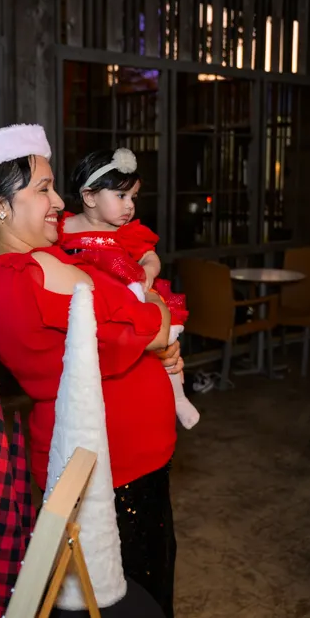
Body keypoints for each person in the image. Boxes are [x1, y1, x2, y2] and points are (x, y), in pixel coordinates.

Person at [0, 124, 183, 617]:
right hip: (114, 467)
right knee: (133, 597)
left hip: (111, 460)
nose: (58, 201)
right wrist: (155, 307)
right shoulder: (37, 272)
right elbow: (154, 326)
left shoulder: (28, 263)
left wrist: (155, 341)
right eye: (44, 189)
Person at [60, 147, 199, 429]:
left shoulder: (127, 233)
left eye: (133, 197)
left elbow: (151, 256)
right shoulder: (63, 229)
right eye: (121, 196)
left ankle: (178, 396)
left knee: (167, 345)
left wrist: (148, 270)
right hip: (92, 309)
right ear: (89, 197)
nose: (129, 206)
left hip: (131, 299)